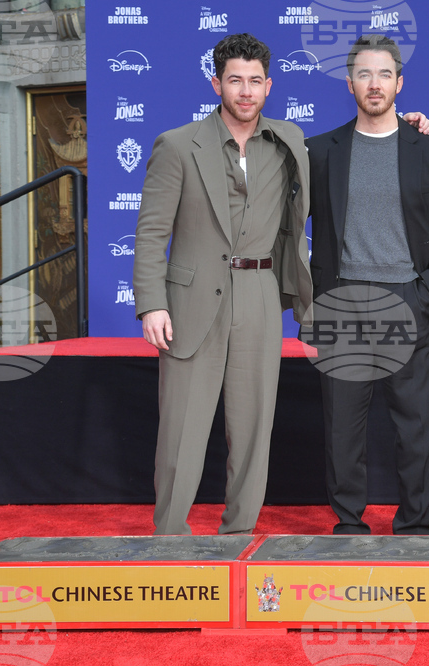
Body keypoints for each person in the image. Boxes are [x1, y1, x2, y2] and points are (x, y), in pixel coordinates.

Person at [132, 33, 312, 535]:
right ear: (217, 83)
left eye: (256, 81)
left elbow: (345, 154)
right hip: (190, 302)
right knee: (181, 432)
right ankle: (169, 539)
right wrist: (151, 303)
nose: (247, 90)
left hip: (259, 295)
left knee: (254, 429)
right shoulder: (177, 145)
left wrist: (407, 126)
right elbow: (150, 233)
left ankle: (237, 540)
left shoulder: (288, 142)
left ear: (269, 85)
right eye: (236, 80)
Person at [306, 34, 429, 535]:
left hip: (409, 299)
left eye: (385, 74)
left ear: (400, 82)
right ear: (350, 84)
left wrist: (427, 290)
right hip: (342, 302)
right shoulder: (318, 151)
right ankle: (349, 525)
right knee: (342, 430)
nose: (375, 83)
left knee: (417, 429)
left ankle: (415, 527)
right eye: (365, 74)